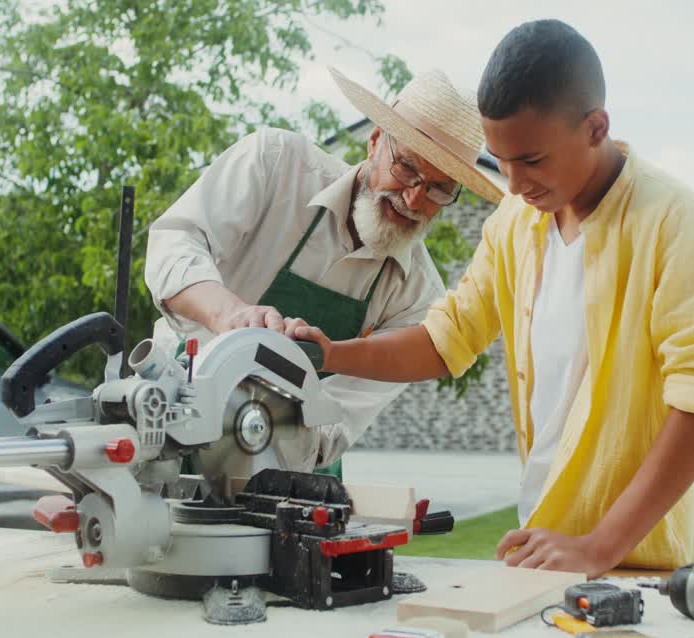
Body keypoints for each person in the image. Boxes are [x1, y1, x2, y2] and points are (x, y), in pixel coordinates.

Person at [292, 20, 694, 577]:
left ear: (596, 127)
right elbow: (444, 340)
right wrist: (331, 354)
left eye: (531, 161)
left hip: (656, 569)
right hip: (548, 557)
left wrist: (599, 547)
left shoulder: (671, 219)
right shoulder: (515, 224)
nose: (513, 184)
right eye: (502, 162)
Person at [144, 68, 503, 479]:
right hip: (169, 420)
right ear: (374, 142)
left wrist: (266, 434)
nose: (413, 198)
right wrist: (229, 315)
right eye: (406, 167)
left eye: (439, 188)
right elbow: (175, 243)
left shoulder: (418, 300)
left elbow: (333, 424)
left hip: (282, 470)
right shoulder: (275, 164)